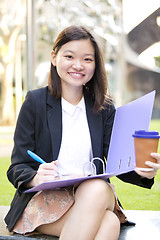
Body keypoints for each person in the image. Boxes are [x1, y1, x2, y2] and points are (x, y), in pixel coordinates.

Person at [5, 26, 160, 240]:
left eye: (88, 59)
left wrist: (144, 172)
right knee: (109, 222)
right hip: (47, 200)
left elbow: (117, 162)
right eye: (69, 56)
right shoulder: (35, 102)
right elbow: (17, 166)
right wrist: (35, 178)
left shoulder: (104, 108)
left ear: (96, 65)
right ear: (54, 57)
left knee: (95, 187)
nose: (78, 65)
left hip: (94, 195)